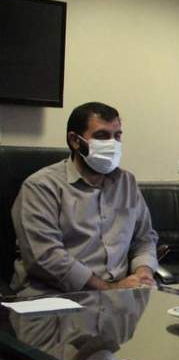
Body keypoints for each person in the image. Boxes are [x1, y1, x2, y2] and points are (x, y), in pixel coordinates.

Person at [11, 102, 158, 295]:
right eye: (102, 136)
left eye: (117, 136)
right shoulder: (41, 186)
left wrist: (143, 273)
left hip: (120, 296)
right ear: (75, 140)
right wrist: (109, 288)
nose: (112, 144)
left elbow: (144, 239)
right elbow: (45, 257)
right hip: (56, 296)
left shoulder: (126, 182)